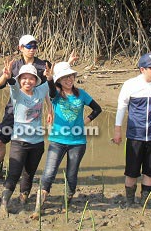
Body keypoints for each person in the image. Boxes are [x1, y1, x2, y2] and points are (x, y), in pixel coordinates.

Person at [30, 61, 102, 219]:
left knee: (71, 175)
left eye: (71, 76)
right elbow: (50, 90)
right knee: (48, 174)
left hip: (77, 142)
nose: (69, 79)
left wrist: (85, 122)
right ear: (59, 81)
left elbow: (97, 109)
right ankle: (38, 208)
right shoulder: (55, 94)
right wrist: (49, 79)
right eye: (64, 77)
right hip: (57, 140)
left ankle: (67, 202)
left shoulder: (81, 94)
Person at [112, 53, 151, 208]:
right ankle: (129, 201)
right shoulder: (130, 85)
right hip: (135, 135)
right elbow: (121, 107)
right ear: (142, 69)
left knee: (150, 171)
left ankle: (144, 201)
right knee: (131, 171)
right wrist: (117, 130)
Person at [0, 35, 51, 181]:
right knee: (1, 140)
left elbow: (47, 89)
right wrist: (6, 76)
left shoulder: (43, 66)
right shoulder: (14, 65)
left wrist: (50, 110)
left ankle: (23, 174)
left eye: (34, 46)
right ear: (20, 48)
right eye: (28, 46)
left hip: (31, 114)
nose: (32, 49)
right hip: (13, 110)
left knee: (29, 144)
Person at [0, 62, 53, 215]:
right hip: (19, 141)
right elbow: (12, 85)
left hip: (37, 142)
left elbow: (50, 86)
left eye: (31, 79)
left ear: (36, 80)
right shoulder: (17, 93)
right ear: (19, 79)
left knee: (29, 173)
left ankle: (23, 199)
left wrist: (50, 78)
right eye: (24, 78)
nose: (27, 82)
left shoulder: (40, 91)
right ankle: (4, 204)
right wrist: (8, 77)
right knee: (14, 174)